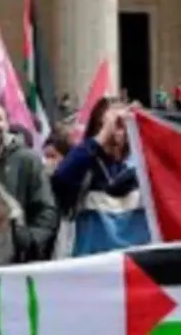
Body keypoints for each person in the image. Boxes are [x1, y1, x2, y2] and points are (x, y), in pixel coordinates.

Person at [51, 98, 150, 257]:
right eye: (102, 125)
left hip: (135, 267)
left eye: (120, 125)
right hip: (93, 266)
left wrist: (145, 128)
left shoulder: (143, 168)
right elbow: (61, 178)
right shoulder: (86, 165)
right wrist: (103, 134)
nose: (113, 133)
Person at [0, 100, 58, 260]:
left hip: (16, 256)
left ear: (7, 123)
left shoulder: (27, 160)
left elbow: (45, 208)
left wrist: (31, 241)